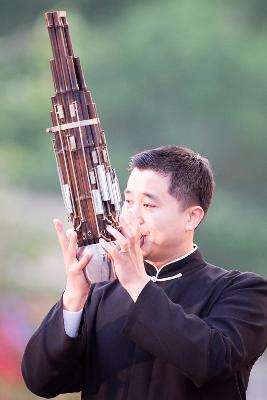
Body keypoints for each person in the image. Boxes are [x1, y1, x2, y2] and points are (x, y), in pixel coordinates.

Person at [22, 145, 267, 400]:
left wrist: (137, 282)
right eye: (128, 201)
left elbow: (213, 360)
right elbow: (41, 381)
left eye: (149, 205)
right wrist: (73, 296)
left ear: (192, 217)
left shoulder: (244, 290)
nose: (131, 216)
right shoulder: (100, 292)